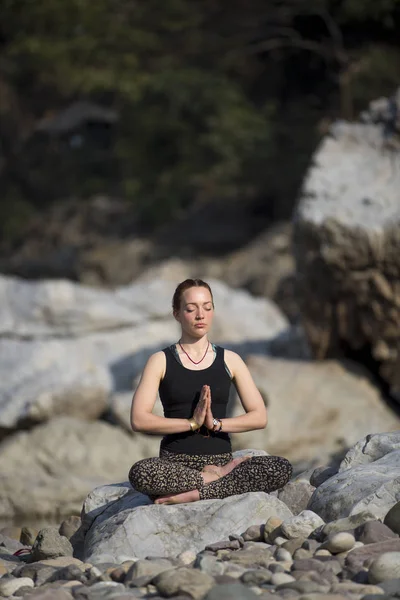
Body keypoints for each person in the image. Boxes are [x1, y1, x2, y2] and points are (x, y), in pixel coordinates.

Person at [129, 278, 292, 505]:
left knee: (280, 467)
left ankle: (197, 492)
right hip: (176, 466)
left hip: (220, 460)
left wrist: (215, 424)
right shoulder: (160, 361)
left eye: (207, 307)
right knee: (142, 472)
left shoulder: (231, 360)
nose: (200, 315)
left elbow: (259, 416)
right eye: (190, 308)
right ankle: (215, 481)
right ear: (176, 314)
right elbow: (139, 419)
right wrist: (191, 424)